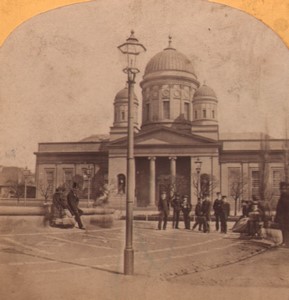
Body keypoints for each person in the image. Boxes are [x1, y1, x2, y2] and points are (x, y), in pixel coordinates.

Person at [275, 181, 289, 247]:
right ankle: (284, 242)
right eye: (282, 189)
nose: (283, 190)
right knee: (283, 229)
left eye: (284, 189)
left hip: (286, 216)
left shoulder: (286, 196)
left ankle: (286, 243)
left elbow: (285, 206)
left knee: (285, 229)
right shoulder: (282, 196)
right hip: (283, 216)